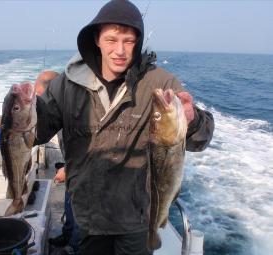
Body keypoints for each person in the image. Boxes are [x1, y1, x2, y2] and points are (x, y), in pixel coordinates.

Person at [35, 1, 214, 254]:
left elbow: (201, 140)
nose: (119, 50)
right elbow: (36, 133)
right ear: (96, 39)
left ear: (138, 42)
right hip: (88, 217)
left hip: (137, 219)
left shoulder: (161, 83)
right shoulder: (66, 85)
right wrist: (21, 113)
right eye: (111, 39)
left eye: (128, 41)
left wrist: (193, 119)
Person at [35, 70, 80, 255]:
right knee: (69, 203)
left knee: (78, 210)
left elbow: (88, 147)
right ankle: (67, 235)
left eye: (38, 96)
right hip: (71, 165)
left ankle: (75, 247)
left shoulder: (74, 112)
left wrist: (68, 169)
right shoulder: (54, 110)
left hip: (84, 172)